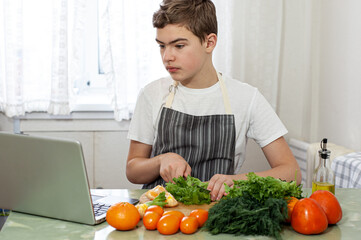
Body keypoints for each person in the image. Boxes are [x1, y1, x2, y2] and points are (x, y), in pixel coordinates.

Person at [126, 0, 301, 201]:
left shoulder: (246, 98)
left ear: (209, 42)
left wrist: (238, 180)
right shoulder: (152, 94)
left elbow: (292, 172)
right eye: (162, 46)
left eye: (179, 46)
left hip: (217, 216)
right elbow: (132, 170)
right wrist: (161, 161)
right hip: (159, 217)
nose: (167, 57)